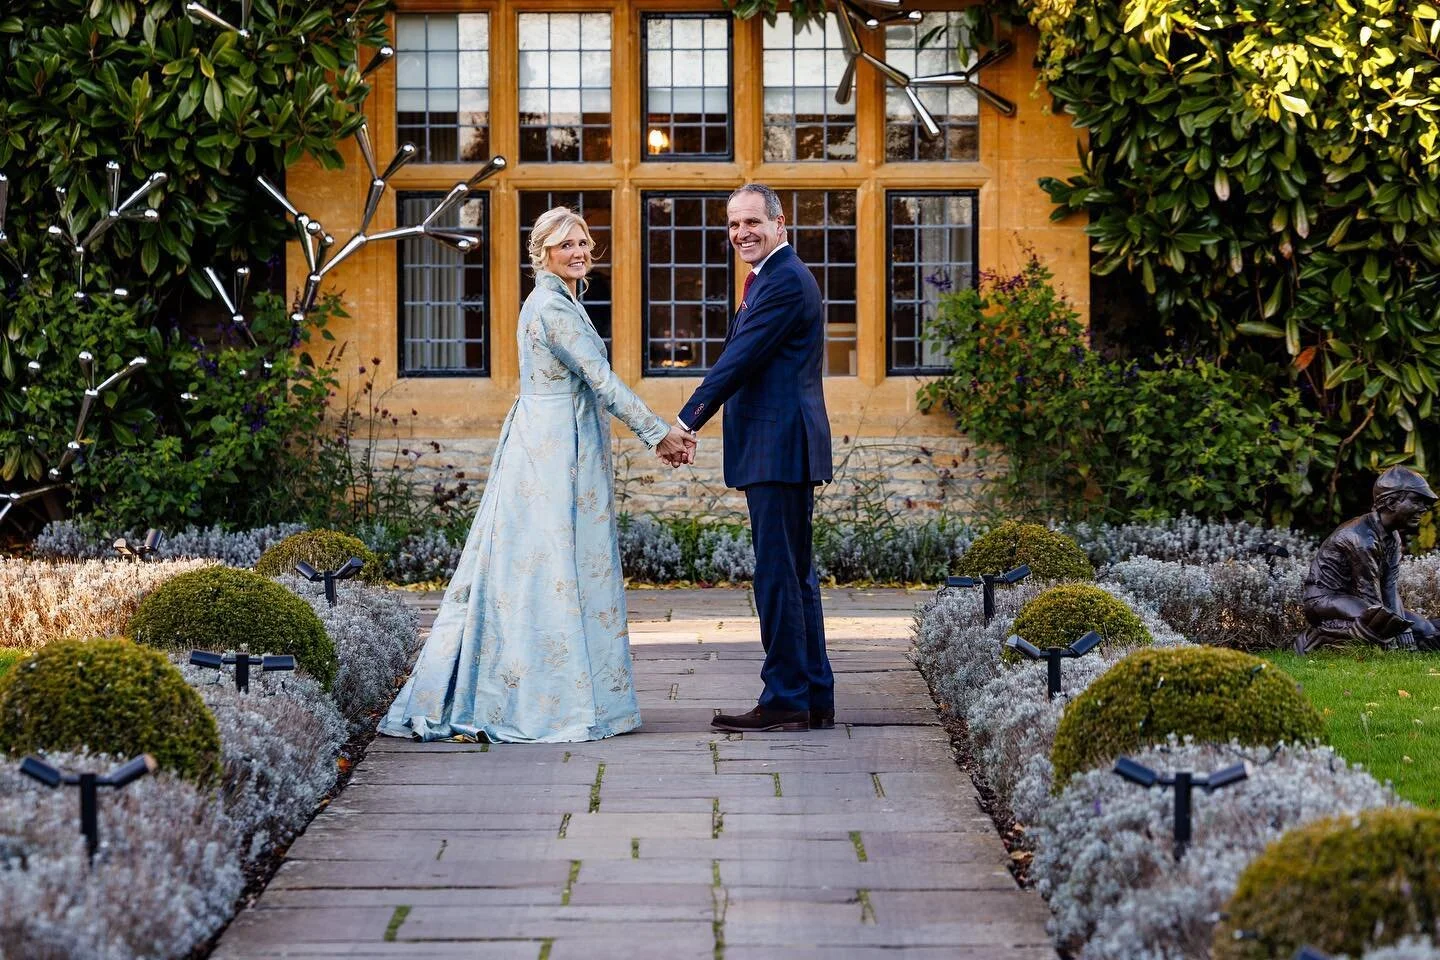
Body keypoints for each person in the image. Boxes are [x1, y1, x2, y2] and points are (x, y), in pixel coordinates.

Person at [379, 207, 694, 742]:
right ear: (542, 252)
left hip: (558, 440)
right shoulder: (551, 306)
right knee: (547, 567)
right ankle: (543, 701)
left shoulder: (561, 300)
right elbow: (602, 380)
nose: (578, 252)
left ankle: (563, 693)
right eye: (565, 245)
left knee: (548, 565)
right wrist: (658, 432)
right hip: (551, 452)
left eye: (583, 243)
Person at [662, 183, 835, 732]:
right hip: (780, 445)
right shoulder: (772, 278)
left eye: (753, 222)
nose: (742, 233)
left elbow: (738, 360)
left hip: (779, 448)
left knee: (779, 578)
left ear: (780, 223)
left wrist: (685, 421)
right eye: (734, 225)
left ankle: (786, 696)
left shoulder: (783, 281)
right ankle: (812, 695)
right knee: (794, 575)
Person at [1299, 465, 1440, 652]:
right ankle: (1320, 636)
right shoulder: (1361, 539)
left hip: (1358, 601)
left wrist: (1404, 628)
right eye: (1416, 501)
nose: (1423, 509)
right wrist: (1398, 629)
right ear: (1391, 503)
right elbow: (1372, 599)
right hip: (1325, 601)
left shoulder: (1392, 537)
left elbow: (1389, 587)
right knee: (1377, 627)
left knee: (1425, 628)